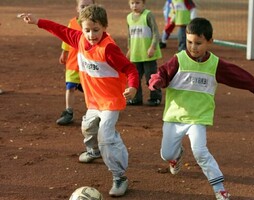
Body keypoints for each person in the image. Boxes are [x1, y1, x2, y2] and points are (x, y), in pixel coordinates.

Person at [20, 4, 139, 197]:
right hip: (93, 101)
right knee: (88, 127)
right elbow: (60, 30)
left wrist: (133, 87)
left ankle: (120, 176)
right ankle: (93, 151)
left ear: (105, 27)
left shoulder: (109, 49)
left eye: (96, 30)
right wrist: (37, 21)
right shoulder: (79, 39)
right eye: (87, 30)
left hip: (111, 101)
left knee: (106, 137)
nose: (91, 34)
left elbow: (130, 69)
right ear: (81, 28)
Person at [149, 17, 254, 200]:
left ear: (209, 42)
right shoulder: (178, 60)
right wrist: (157, 82)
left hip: (198, 118)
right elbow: (161, 74)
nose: (193, 47)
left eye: (198, 43)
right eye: (189, 42)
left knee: (200, 151)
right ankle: (176, 156)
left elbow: (242, 77)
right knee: (166, 153)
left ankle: (219, 188)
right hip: (175, 117)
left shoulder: (215, 65)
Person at [56, 0, 95, 125]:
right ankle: (68, 112)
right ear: (77, 8)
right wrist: (64, 52)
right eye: (82, 6)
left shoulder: (95, 24)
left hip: (89, 64)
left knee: (91, 89)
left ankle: (95, 111)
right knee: (70, 87)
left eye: (88, 6)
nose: (85, 9)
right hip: (73, 62)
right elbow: (66, 38)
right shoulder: (72, 23)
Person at [126, 0, 162, 106]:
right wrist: (130, 49)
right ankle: (136, 98)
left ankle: (156, 97)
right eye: (132, 3)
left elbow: (155, 32)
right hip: (136, 54)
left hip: (148, 54)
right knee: (135, 77)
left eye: (137, 3)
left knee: (150, 77)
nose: (135, 5)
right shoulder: (128, 18)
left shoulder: (148, 15)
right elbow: (129, 36)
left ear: (143, 4)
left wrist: (152, 47)